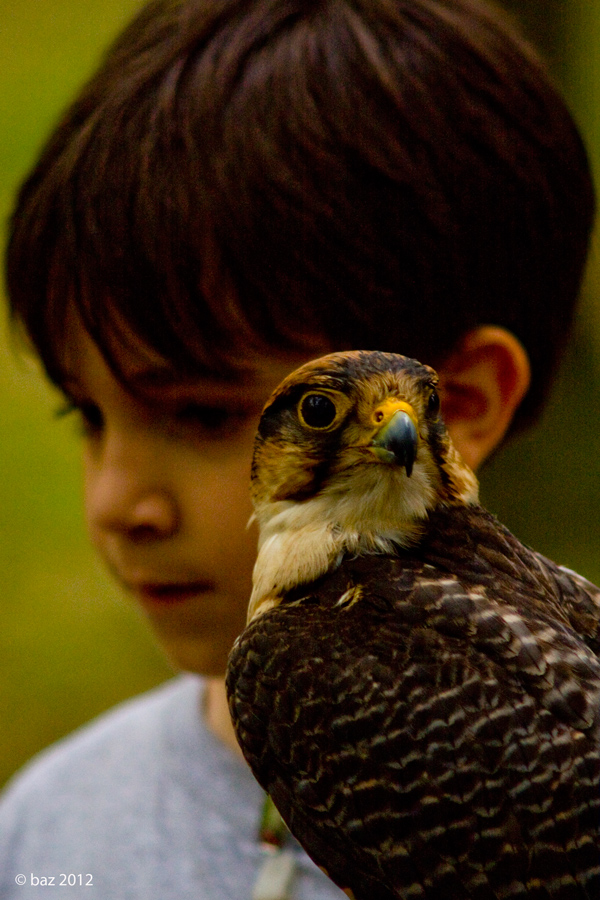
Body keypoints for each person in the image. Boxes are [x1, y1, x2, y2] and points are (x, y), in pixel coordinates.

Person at [0, 0, 594, 897]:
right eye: (86, 415)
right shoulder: (48, 831)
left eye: (200, 413)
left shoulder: (361, 663)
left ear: (457, 406)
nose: (120, 501)